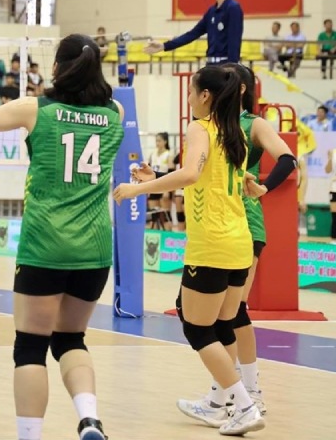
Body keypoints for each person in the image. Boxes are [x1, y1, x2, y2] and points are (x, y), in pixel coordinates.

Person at [0, 34, 123, 440]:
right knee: (71, 338)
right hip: (94, 249)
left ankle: (30, 436)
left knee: (31, 347)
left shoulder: (38, 109)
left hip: (45, 245)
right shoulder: (116, 113)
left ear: (58, 67)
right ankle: (89, 418)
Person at [113, 65, 265, 435]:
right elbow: (205, 181)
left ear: (205, 96)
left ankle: (244, 405)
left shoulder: (201, 127)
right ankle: (221, 405)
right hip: (238, 242)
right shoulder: (235, 134)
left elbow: (192, 175)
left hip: (210, 245)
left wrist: (137, 190)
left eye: (191, 92)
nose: (189, 98)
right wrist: (156, 178)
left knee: (196, 327)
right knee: (222, 324)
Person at [171, 63, 296, 421]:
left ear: (238, 88)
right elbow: (194, 173)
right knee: (221, 317)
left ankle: (247, 394)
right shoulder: (221, 127)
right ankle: (223, 399)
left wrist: (265, 187)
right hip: (225, 226)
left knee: (226, 315)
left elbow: (288, 158)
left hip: (238, 225)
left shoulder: (246, 125)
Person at [145, 0, 243, 65]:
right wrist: (164, 46)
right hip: (210, 65)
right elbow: (192, 34)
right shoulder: (211, 11)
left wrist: (232, 68)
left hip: (225, 65)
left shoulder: (233, 8)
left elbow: (234, 41)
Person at [146, 132, 174, 229]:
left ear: (165, 142)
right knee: (154, 214)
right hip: (154, 185)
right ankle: (155, 238)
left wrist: (167, 190)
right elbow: (148, 170)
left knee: (165, 214)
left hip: (165, 185)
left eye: (159, 141)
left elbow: (171, 172)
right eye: (156, 141)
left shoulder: (168, 155)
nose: (157, 143)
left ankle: (168, 238)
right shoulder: (152, 154)